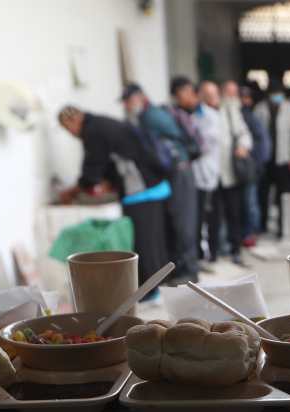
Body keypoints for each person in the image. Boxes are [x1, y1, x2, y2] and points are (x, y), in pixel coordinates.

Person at [57, 105, 171, 298]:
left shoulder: (92, 131)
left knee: (144, 243)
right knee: (155, 241)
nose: (71, 134)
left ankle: (150, 291)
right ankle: (158, 286)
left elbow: (91, 172)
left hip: (140, 189)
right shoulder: (101, 123)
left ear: (74, 120)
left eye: (68, 129)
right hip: (153, 184)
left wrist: (71, 192)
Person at [121, 81, 200, 283]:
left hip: (179, 171)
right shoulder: (147, 116)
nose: (126, 106)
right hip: (173, 172)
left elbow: (176, 142)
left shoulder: (151, 116)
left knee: (183, 222)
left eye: (128, 101)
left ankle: (190, 270)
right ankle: (180, 268)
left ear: (140, 98)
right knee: (176, 221)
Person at [175, 77, 220, 270]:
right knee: (195, 218)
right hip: (193, 175)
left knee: (208, 217)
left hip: (208, 173)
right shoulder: (182, 114)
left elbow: (206, 144)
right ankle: (197, 256)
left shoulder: (210, 116)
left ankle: (208, 255)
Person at [254, 81, 290, 237]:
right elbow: (255, 134)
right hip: (265, 160)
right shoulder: (260, 109)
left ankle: (283, 227)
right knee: (262, 194)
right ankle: (262, 226)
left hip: (284, 159)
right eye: (274, 94)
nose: (277, 97)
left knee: (283, 195)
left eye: (279, 94)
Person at [218, 80, 254, 265]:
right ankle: (217, 249)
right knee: (216, 214)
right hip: (215, 173)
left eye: (234, 93)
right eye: (229, 92)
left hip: (233, 172)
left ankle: (235, 248)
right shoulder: (214, 110)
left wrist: (243, 146)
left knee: (235, 212)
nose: (232, 96)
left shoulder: (236, 112)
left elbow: (245, 134)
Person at [240, 84, 271, 247]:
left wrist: (257, 163)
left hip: (250, 167)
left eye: (247, 97)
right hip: (244, 168)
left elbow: (262, 143)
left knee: (250, 202)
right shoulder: (240, 116)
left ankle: (252, 233)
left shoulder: (250, 118)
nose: (245, 101)